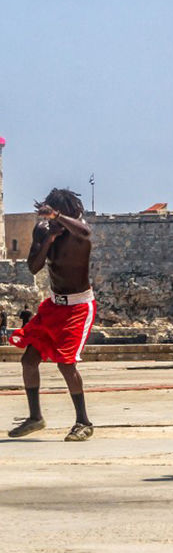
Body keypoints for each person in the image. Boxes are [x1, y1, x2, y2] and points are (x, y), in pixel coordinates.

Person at [7, 189, 96, 441]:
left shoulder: (79, 232)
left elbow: (86, 233)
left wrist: (60, 218)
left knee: (65, 363)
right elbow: (34, 267)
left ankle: (84, 422)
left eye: (56, 214)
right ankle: (35, 417)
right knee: (28, 360)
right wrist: (48, 238)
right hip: (54, 306)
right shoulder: (43, 230)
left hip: (79, 307)